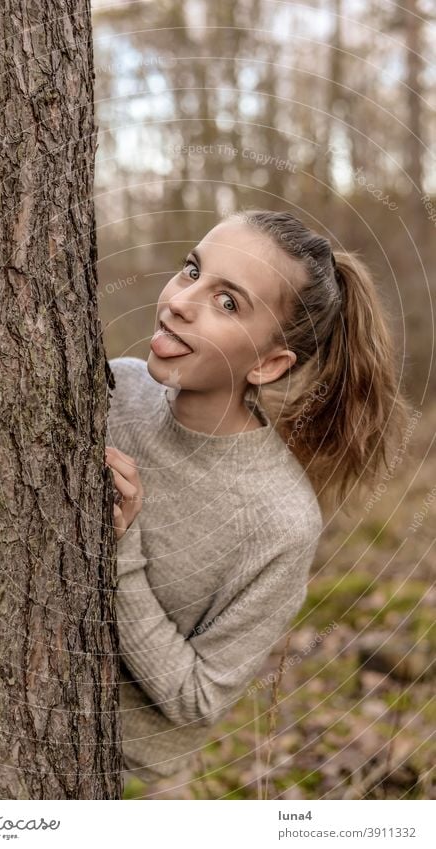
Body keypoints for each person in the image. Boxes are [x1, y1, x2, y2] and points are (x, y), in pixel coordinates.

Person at [104, 209, 409, 791]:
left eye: (227, 303)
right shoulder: (114, 390)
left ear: (269, 364)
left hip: (129, 788)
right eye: (191, 270)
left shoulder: (280, 520)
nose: (180, 301)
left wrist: (123, 551)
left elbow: (199, 700)